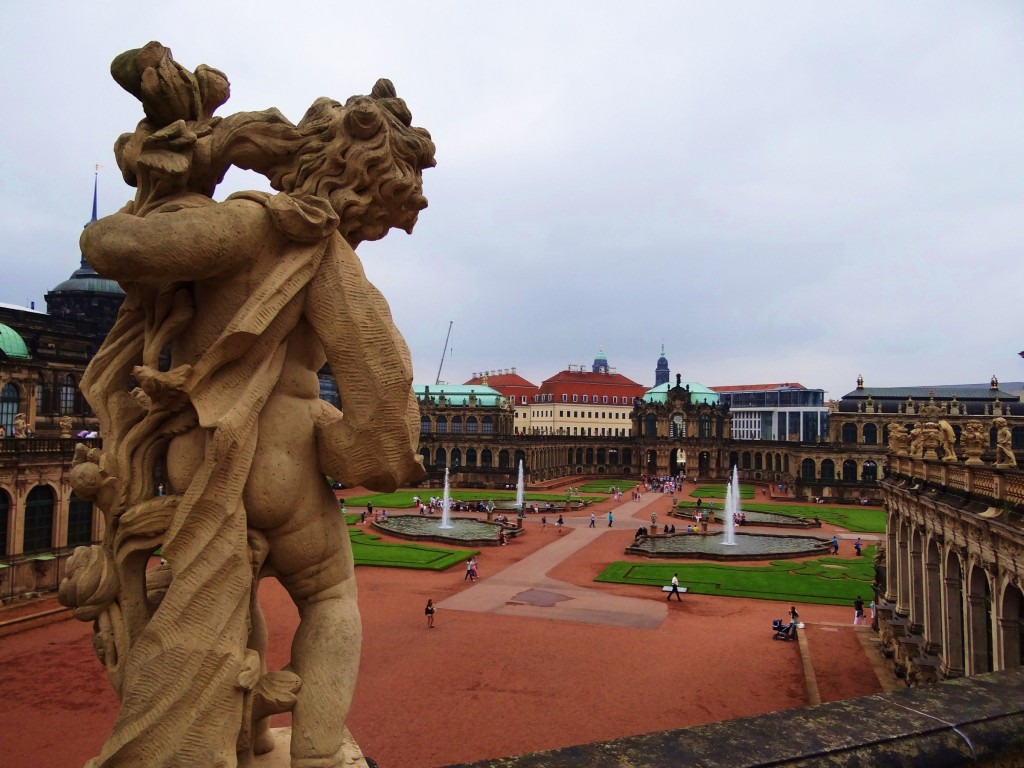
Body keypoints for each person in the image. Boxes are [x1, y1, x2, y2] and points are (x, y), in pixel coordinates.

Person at [69, 47, 434, 765]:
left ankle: (250, 736)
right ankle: (319, 752)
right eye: (374, 222)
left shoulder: (254, 229)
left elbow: (117, 243)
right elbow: (377, 393)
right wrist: (204, 156)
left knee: (228, 599)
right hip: (279, 465)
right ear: (353, 188)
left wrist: (178, 186)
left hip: (200, 457)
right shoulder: (282, 236)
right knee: (330, 598)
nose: (366, 237)